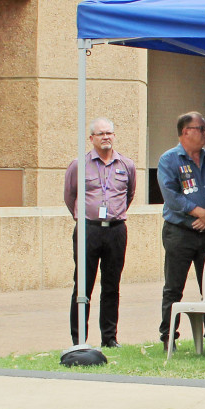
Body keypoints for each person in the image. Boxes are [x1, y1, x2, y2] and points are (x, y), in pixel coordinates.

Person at [158, 112, 205, 353]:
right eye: (199, 128)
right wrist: (199, 212)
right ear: (184, 132)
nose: (204, 133)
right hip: (180, 232)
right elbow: (171, 196)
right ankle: (169, 338)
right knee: (174, 287)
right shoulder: (169, 160)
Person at [64, 118, 139, 349]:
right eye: (100, 134)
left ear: (114, 136)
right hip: (89, 230)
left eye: (109, 133)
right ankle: (79, 340)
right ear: (91, 138)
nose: (106, 137)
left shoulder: (126, 165)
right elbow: (70, 196)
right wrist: (84, 218)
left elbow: (130, 194)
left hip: (116, 230)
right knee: (83, 285)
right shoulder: (79, 164)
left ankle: (109, 338)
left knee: (111, 285)